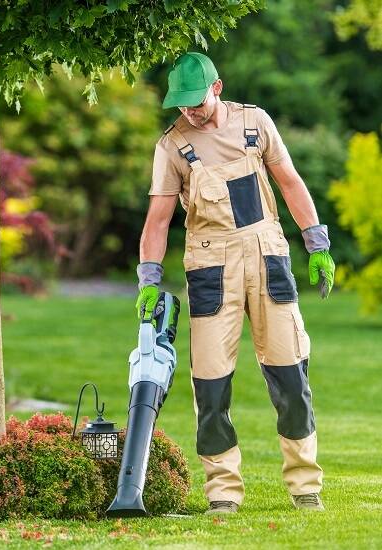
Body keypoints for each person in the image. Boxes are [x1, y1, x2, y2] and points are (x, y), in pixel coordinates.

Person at [135, 52, 335, 515]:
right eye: (181, 105)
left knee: (290, 374)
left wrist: (317, 242)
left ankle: (305, 485)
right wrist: (149, 276)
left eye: (196, 102)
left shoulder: (255, 123)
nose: (189, 111)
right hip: (209, 266)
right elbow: (158, 219)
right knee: (210, 384)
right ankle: (223, 491)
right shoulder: (171, 147)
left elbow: (289, 181)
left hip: (266, 255)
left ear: (217, 88)